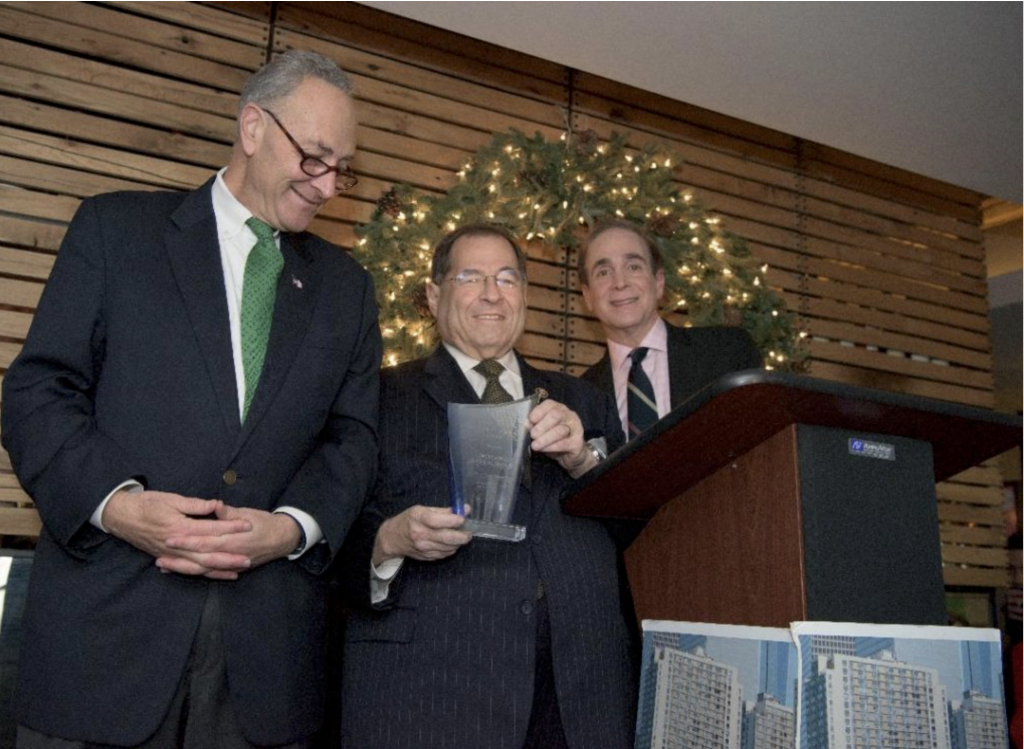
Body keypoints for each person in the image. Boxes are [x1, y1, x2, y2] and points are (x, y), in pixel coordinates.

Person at [1, 50, 381, 748]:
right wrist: (117, 505)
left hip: (265, 667)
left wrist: (293, 526)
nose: (328, 185)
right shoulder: (116, 232)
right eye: (315, 157)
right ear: (253, 127)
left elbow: (352, 438)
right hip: (104, 645)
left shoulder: (346, 290)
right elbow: (39, 389)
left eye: (343, 167)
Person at [339, 225, 636, 749]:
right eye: (470, 277)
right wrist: (390, 541)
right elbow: (330, 538)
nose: (491, 293)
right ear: (434, 296)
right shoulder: (379, 398)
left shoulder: (583, 401)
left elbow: (633, 534)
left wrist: (582, 459)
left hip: (579, 701)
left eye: (506, 278)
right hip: (433, 697)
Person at [578, 219, 763, 440]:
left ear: (658, 283)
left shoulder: (728, 351)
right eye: (604, 272)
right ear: (587, 296)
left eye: (633, 267)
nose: (620, 283)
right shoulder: (580, 397)